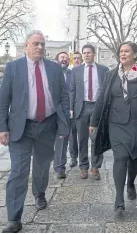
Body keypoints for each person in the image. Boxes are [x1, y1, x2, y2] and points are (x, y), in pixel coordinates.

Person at [0, 30, 70, 233]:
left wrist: (65, 123)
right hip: (21, 127)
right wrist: (1, 128)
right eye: (36, 44)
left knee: (42, 165)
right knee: (19, 171)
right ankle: (14, 218)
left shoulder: (54, 69)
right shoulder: (13, 67)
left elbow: (63, 97)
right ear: (25, 46)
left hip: (47, 125)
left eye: (42, 44)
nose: (40, 47)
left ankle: (39, 193)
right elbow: (4, 100)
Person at [89, 41, 137, 212]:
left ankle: (130, 183)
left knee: (134, 157)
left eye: (127, 51)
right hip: (116, 124)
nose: (123, 54)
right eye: (121, 51)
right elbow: (102, 99)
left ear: (135, 54)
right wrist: (94, 122)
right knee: (120, 158)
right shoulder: (112, 74)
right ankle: (119, 197)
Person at [70, 44, 109, 180]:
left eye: (89, 53)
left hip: (97, 108)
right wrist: (71, 108)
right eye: (84, 53)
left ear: (94, 54)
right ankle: (84, 167)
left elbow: (107, 91)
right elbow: (72, 90)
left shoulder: (104, 70)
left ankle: (95, 167)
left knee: (97, 139)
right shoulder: (76, 71)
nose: (87, 55)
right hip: (81, 108)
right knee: (82, 139)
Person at [53, 51, 72, 179]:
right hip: (50, 111)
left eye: (66, 57)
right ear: (57, 59)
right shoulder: (50, 72)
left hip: (65, 112)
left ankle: (60, 168)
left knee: (62, 140)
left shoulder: (72, 73)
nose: (64, 59)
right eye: (61, 57)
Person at [68, 51, 83, 167]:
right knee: (72, 135)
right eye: (75, 58)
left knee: (82, 136)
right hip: (71, 107)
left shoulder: (85, 71)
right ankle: (73, 157)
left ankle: (83, 157)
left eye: (79, 58)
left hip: (83, 107)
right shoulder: (69, 72)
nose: (77, 60)